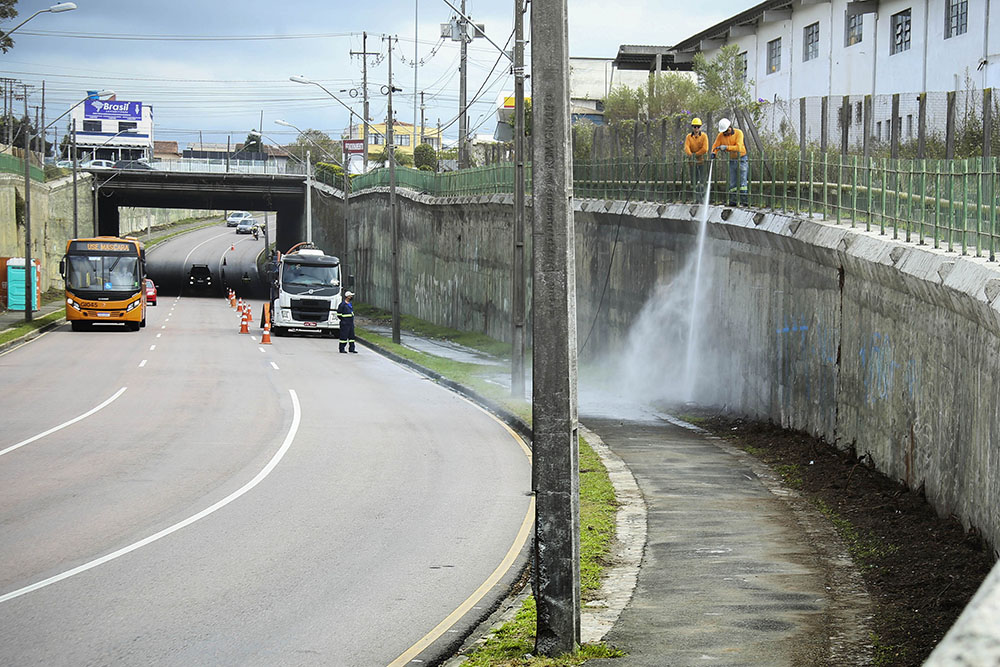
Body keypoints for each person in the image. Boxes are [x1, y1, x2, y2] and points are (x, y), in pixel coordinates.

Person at [711, 118, 749, 206]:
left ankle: (744, 201)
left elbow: (739, 147)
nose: (725, 133)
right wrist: (713, 153)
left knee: (743, 181)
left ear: (730, 127)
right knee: (732, 181)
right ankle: (733, 200)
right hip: (732, 160)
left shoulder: (738, 133)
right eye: (724, 132)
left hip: (742, 158)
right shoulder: (721, 135)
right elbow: (715, 146)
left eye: (726, 131)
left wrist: (727, 147)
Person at [683, 117, 709, 202]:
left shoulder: (704, 136)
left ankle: (701, 198)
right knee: (693, 181)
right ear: (692, 127)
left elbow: (705, 148)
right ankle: (694, 198)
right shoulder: (688, 137)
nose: (696, 128)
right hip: (692, 163)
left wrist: (696, 155)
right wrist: (691, 155)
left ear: (700, 127)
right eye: (694, 127)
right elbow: (686, 147)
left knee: (702, 181)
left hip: (701, 162)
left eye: (698, 127)